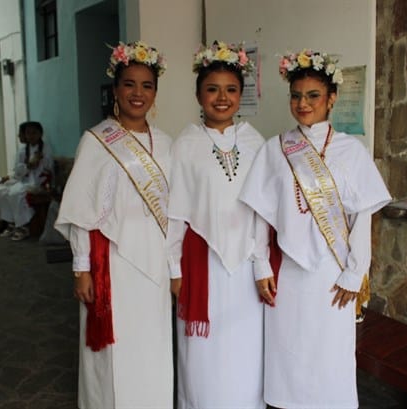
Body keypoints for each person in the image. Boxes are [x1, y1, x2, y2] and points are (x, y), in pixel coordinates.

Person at [239, 49, 392, 408]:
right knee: (288, 354)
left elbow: (363, 217)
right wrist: (261, 264)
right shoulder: (275, 149)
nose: (303, 104)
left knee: (330, 362)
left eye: (313, 96)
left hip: (332, 276)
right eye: (296, 96)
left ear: (331, 98)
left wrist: (356, 273)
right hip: (290, 274)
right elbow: (261, 215)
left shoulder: (351, 151)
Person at [54, 41, 173, 409]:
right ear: (115, 89)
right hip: (114, 267)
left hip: (154, 266)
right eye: (129, 84)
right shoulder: (96, 141)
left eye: (147, 85)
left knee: (151, 348)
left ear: (155, 91)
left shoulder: (166, 144)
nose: (138, 94)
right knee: (114, 356)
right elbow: (81, 213)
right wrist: (81, 269)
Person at [167, 41, 269, 409]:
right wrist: (174, 268)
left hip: (245, 269)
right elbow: (176, 212)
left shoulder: (257, 143)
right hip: (202, 266)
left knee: (245, 354)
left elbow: (262, 211)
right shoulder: (185, 145)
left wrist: (261, 263)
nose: (221, 98)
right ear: (198, 94)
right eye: (212, 89)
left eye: (230, 90)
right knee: (202, 357)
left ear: (241, 95)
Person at [0, 121, 53, 241]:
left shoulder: (46, 148)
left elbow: (49, 167)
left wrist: (41, 160)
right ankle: (11, 223)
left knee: (15, 193)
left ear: (40, 134)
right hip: (25, 180)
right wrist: (28, 166)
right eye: (28, 133)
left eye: (34, 133)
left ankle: (23, 226)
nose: (31, 136)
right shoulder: (23, 150)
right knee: (6, 192)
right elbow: (17, 170)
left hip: (39, 182)